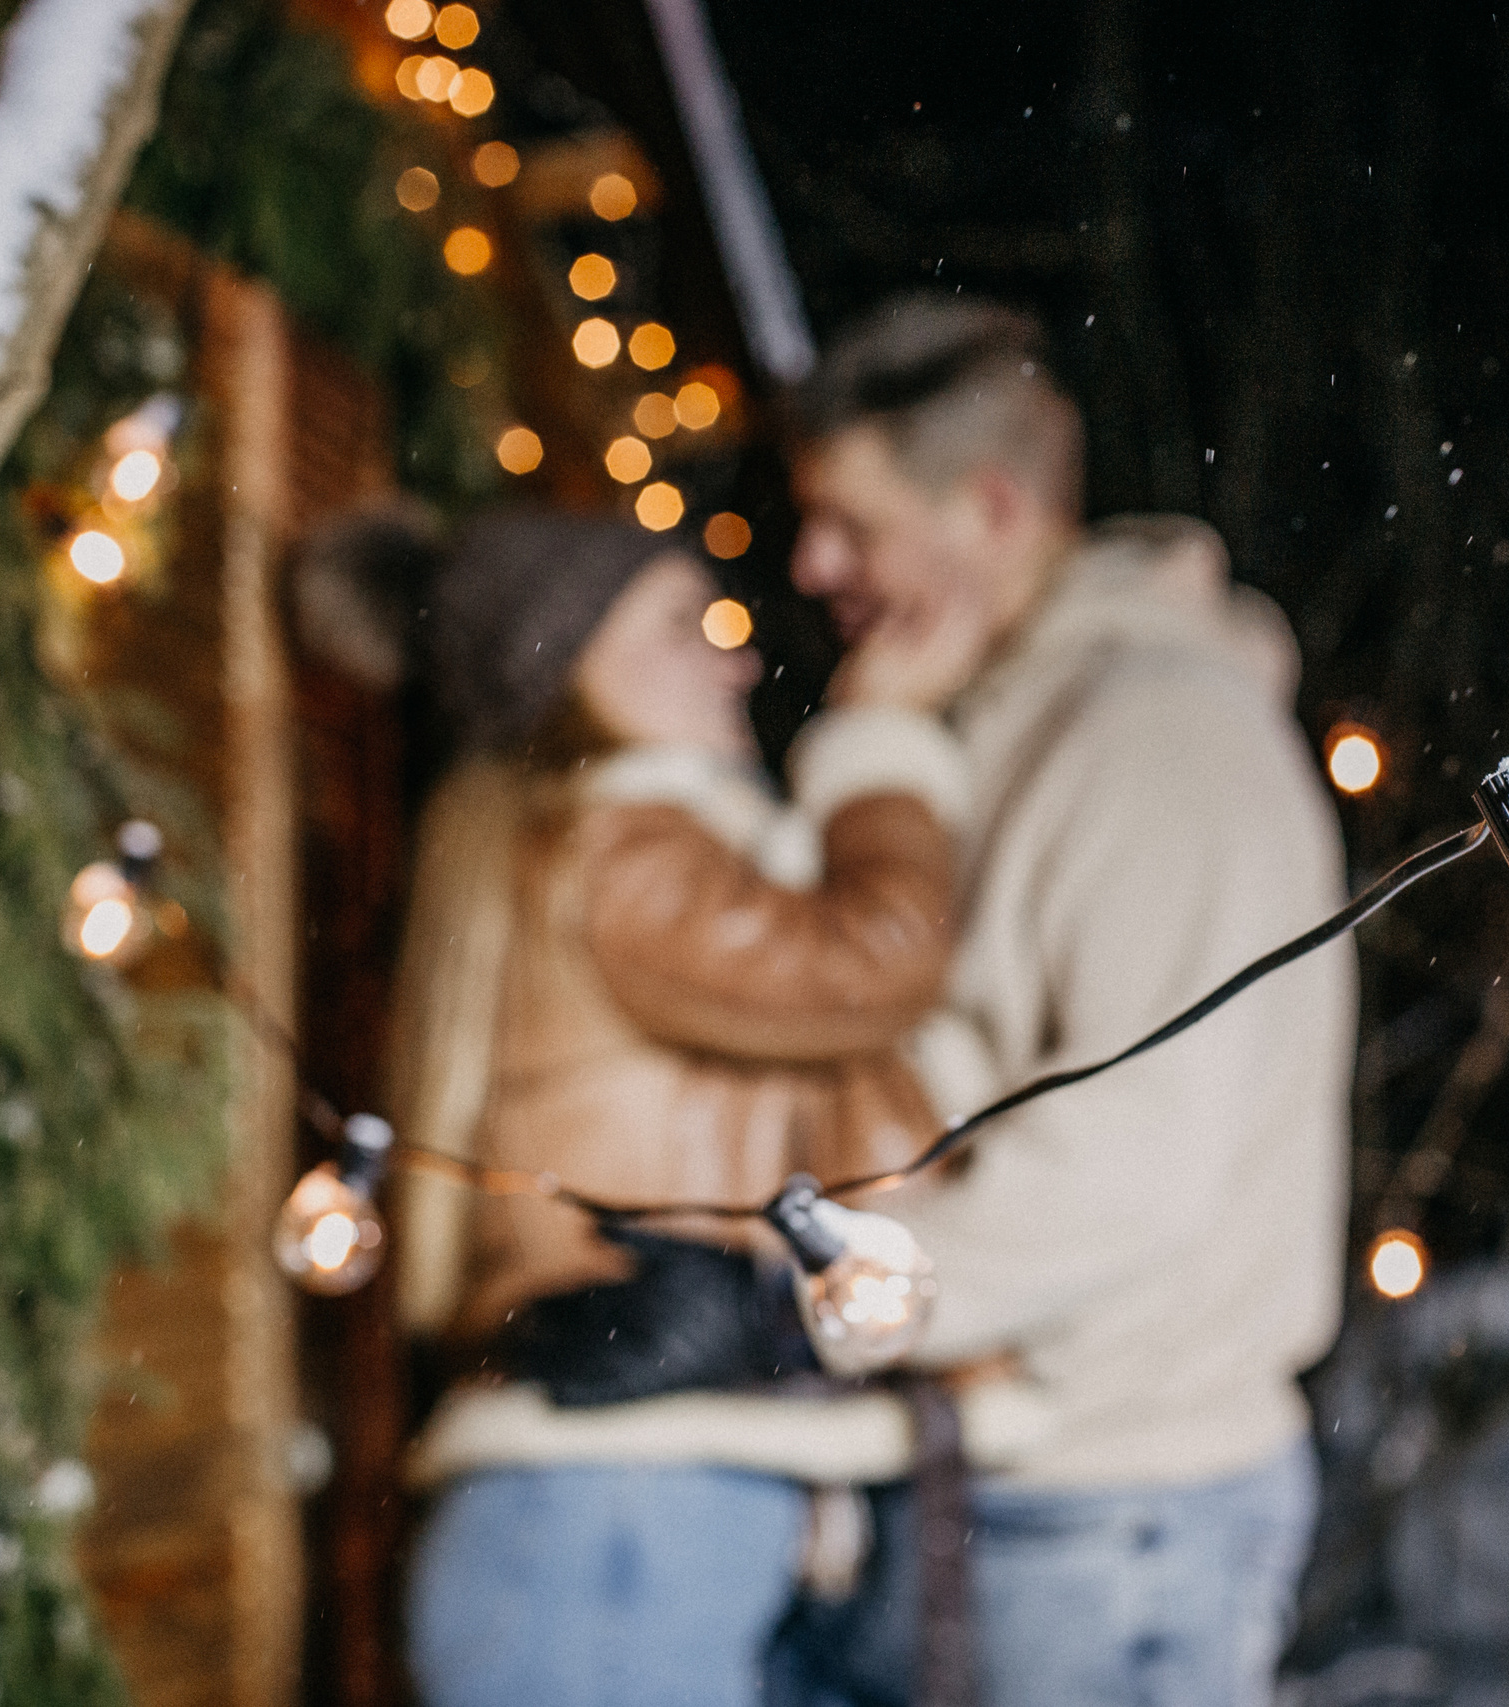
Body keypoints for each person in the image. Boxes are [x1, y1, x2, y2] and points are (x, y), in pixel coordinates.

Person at [777, 298, 1357, 1707]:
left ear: (988, 506)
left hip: (1116, 1508)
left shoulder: (1150, 736)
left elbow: (1132, 1163)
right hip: (1022, 1483)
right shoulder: (1000, 720)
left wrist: (814, 1291)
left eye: (851, 526)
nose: (810, 565)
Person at [377, 507, 1017, 1707]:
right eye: (684, 625)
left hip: (628, 1501)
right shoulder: (627, 848)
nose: (737, 658)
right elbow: (873, 959)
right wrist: (880, 738)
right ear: (570, 667)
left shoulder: (610, 845)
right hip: (616, 1511)